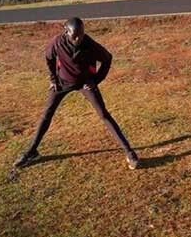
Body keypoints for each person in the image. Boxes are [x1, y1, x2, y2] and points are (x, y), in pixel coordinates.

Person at [13, 17, 141, 170]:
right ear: (66, 32)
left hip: (84, 83)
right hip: (62, 83)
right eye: (75, 36)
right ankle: (32, 151)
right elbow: (48, 58)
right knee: (47, 114)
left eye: (81, 34)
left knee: (104, 114)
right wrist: (53, 78)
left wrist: (95, 80)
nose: (79, 39)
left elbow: (107, 59)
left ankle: (129, 152)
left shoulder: (89, 44)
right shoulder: (57, 42)